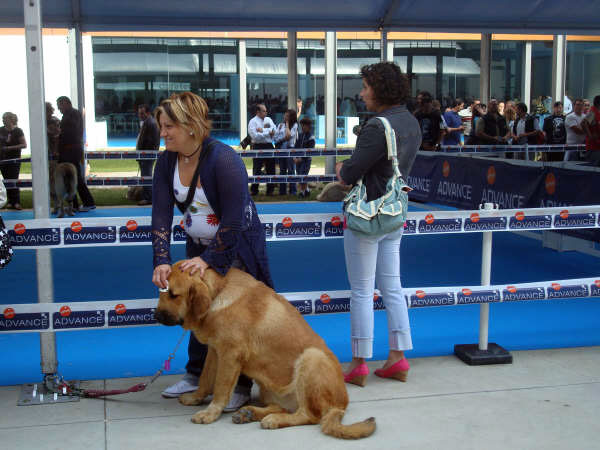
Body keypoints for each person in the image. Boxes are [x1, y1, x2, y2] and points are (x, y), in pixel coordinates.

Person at [151, 92, 272, 411]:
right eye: (161, 126)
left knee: (235, 318)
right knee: (197, 309)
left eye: (168, 127)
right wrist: (162, 260)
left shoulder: (224, 159)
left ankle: (240, 384)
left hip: (238, 247)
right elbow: (161, 214)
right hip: (198, 246)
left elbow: (233, 221)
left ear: (190, 126)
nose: (162, 133)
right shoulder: (166, 161)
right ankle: (196, 376)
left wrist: (208, 262)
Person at [335, 62, 421, 386]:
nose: (362, 93)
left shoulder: (376, 126)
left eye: (366, 87)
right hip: (395, 213)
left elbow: (349, 174)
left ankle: (359, 363)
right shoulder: (412, 122)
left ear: (380, 90)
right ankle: (398, 358)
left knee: (361, 290)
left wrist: (343, 168)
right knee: (392, 287)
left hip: (366, 217)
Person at [56, 96, 96, 212]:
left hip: (71, 151)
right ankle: (75, 204)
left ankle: (87, 202)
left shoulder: (73, 115)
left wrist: (59, 132)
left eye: (60, 106)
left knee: (75, 177)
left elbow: (72, 132)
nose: (59, 109)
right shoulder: (69, 115)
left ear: (67, 103)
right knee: (70, 178)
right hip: (69, 151)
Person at [0, 112, 27, 210]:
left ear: (11, 119)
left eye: (5, 118)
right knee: (6, 180)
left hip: (14, 159)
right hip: (2, 159)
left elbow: (24, 145)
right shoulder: (1, 130)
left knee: (14, 179)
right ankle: (10, 202)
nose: (3, 120)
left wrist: (10, 148)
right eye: (2, 118)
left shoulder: (18, 131)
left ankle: (16, 202)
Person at [135, 104, 161, 205]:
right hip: (144, 154)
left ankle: (149, 198)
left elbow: (151, 141)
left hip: (147, 155)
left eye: (142, 113)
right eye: (139, 113)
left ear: (148, 113)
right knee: (145, 176)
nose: (140, 115)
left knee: (146, 176)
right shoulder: (147, 122)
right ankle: (147, 196)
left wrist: (143, 153)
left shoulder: (151, 123)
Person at [248, 104, 276, 196]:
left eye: (266, 110)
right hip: (258, 146)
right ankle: (254, 190)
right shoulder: (252, 122)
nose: (266, 112)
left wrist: (263, 131)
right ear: (258, 112)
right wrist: (268, 132)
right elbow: (255, 137)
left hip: (269, 145)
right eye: (264, 111)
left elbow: (274, 130)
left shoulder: (269, 119)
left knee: (271, 168)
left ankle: (270, 190)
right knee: (257, 168)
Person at [273, 109, 298, 196]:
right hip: (281, 148)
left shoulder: (294, 125)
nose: (285, 117)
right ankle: (282, 191)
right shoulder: (280, 125)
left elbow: (289, 136)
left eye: (287, 116)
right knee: (282, 171)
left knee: (291, 170)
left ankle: (293, 191)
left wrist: (287, 125)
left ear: (291, 117)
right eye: (285, 115)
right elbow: (275, 138)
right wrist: (282, 138)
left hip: (290, 148)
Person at [294, 117, 315, 198]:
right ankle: (307, 190)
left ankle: (302, 192)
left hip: (306, 161)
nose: (302, 127)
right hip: (298, 160)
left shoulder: (311, 137)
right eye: (301, 125)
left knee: (303, 175)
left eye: (304, 126)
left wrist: (301, 159)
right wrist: (295, 157)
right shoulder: (299, 135)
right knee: (299, 175)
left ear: (308, 126)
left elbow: (310, 150)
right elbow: (295, 147)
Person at [46, 102, 61, 211]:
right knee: (49, 181)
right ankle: (55, 204)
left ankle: (58, 205)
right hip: (45, 155)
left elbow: (56, 136)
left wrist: (55, 151)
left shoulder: (53, 121)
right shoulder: (42, 121)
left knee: (54, 181)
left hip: (53, 157)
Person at [581, 95, 600, 166]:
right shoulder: (593, 112)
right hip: (594, 147)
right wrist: (590, 136)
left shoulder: (597, 112)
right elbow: (583, 123)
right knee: (594, 169)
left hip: (597, 146)